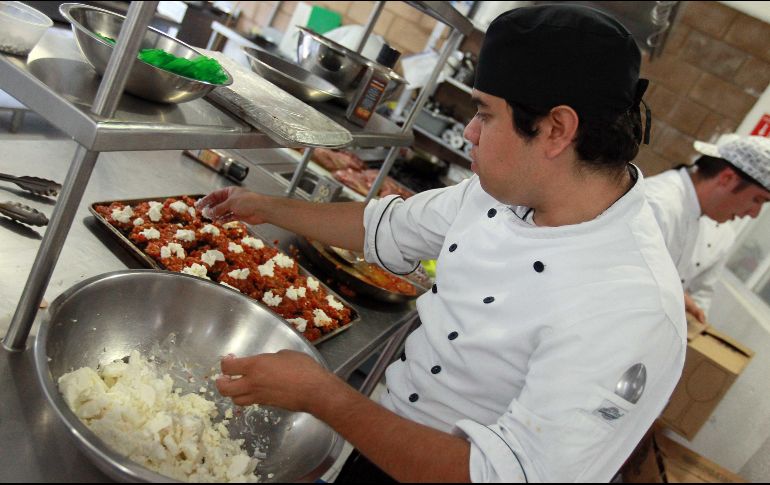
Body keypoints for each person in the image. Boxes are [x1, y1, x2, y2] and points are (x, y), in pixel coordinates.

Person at [199, 5, 686, 482]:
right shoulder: (503, 193)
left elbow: (501, 476)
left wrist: (322, 395)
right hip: (377, 440)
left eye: (485, 114)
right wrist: (265, 207)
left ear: (556, 130)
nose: (469, 131)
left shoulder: (631, 308)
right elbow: (385, 227)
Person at [645, 135, 770, 322]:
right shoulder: (658, 205)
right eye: (757, 199)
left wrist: (674, 296)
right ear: (727, 178)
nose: (754, 214)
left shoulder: (690, 210)